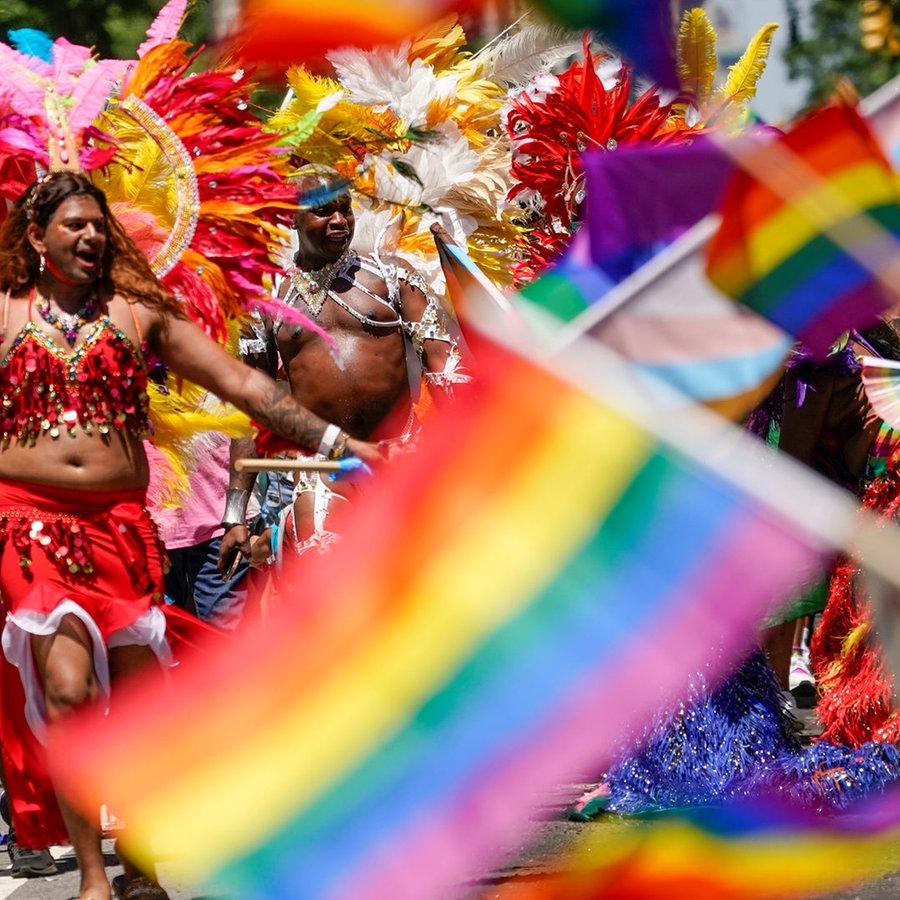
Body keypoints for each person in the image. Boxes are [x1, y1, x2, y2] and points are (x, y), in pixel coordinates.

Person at [0, 171, 382, 900]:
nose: (89, 236)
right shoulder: (5, 314)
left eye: (97, 224)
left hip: (120, 531)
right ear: (35, 235)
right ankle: (92, 879)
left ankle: (140, 863)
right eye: (73, 225)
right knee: (68, 690)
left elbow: (245, 386)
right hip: (31, 527)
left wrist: (342, 440)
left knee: (141, 713)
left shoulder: (140, 312)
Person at [218, 166, 468, 580]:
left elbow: (445, 368)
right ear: (290, 218)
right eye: (322, 212)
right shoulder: (266, 303)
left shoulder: (393, 277)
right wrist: (234, 514)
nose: (339, 221)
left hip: (402, 457)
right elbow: (252, 410)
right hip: (323, 471)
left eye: (345, 209)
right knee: (331, 598)